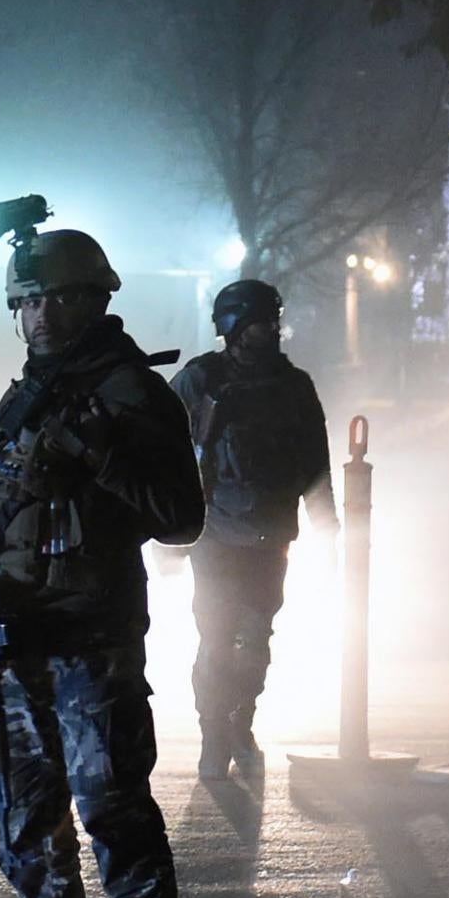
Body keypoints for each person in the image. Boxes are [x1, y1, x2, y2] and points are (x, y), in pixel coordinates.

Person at [0, 221, 204, 898]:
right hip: (14, 644)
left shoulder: (130, 395)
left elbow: (181, 518)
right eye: (25, 300)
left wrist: (99, 453)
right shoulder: (24, 397)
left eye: (57, 297)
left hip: (90, 643)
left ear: (95, 298)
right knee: (26, 819)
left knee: (112, 814)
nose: (40, 315)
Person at [169, 278, 335, 781]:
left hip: (270, 536)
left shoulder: (293, 385)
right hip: (214, 536)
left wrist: (328, 527)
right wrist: (166, 528)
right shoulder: (201, 381)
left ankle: (241, 722)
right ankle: (214, 733)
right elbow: (163, 448)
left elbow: (315, 462)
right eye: (262, 320)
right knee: (216, 640)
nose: (272, 329)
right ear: (235, 326)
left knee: (256, 640)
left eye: (273, 319)